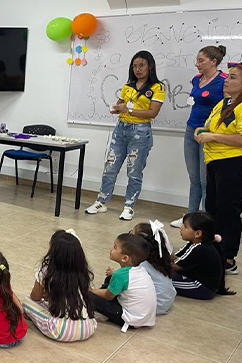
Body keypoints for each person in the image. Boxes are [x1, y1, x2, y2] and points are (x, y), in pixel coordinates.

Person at [86, 51, 165, 220]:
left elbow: (153, 112)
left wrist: (128, 109)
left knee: (134, 171)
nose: (137, 69)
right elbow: (120, 105)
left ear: (150, 66)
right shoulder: (128, 86)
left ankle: (129, 206)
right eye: (134, 66)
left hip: (140, 131)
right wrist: (116, 108)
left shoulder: (157, 87)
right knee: (110, 167)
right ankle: (101, 201)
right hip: (121, 128)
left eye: (141, 65)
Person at [171, 46, 228, 228]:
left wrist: (210, 130)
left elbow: (227, 108)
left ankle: (204, 221)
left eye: (201, 60)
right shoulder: (197, 79)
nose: (197, 64)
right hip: (191, 130)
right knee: (194, 178)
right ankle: (190, 217)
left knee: (205, 181)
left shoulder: (223, 81)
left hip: (209, 134)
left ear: (213, 61)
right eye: (197, 60)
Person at [195, 63, 242, 275]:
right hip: (213, 161)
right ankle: (214, 250)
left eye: (232, 78)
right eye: (227, 77)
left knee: (228, 210)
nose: (226, 80)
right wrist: (201, 130)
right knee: (212, 206)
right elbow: (211, 126)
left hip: (231, 163)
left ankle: (228, 257)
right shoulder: (224, 103)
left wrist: (212, 136)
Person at [22, 230, 97, 342]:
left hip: (60, 331)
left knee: (26, 303)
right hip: (89, 327)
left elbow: (35, 297)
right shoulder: (82, 270)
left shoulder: (47, 269)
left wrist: (46, 294)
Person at [89, 234, 156, 332]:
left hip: (130, 320)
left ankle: (100, 311)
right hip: (144, 318)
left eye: (115, 247)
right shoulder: (140, 269)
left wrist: (93, 291)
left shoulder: (119, 275)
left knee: (89, 295)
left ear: (125, 258)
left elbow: (108, 296)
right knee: (111, 278)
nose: (111, 248)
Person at [171, 212, 236, 299]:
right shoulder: (195, 243)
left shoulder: (200, 249)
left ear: (197, 234)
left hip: (203, 288)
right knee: (163, 274)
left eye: (185, 226)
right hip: (198, 280)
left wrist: (157, 257)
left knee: (162, 279)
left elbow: (175, 266)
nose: (181, 228)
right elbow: (177, 257)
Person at [131, 221, 176, 315]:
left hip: (154, 307)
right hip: (165, 304)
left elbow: (128, 282)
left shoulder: (141, 264)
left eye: (131, 233)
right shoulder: (160, 259)